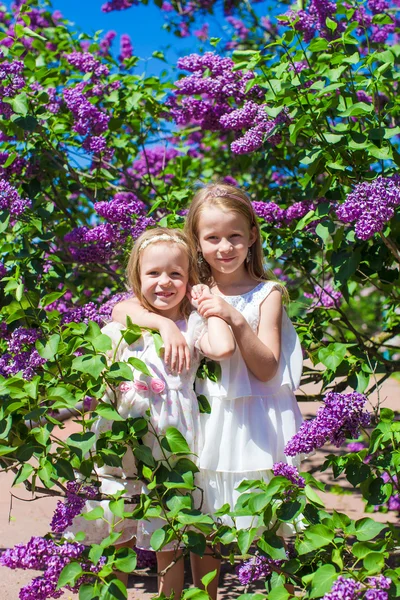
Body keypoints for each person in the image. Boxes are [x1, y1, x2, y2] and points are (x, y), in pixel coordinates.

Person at [112, 184, 303, 597]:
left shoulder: (266, 293)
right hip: (205, 420)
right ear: (197, 241)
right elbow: (124, 307)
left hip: (254, 419)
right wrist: (167, 322)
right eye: (212, 238)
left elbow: (268, 369)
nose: (225, 247)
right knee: (204, 521)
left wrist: (234, 318)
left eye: (234, 236)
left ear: (252, 235)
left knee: (267, 523)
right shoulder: (190, 288)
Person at [73, 227, 235, 599]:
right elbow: (118, 313)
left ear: (190, 279)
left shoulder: (193, 324)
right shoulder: (122, 325)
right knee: (118, 530)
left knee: (170, 534)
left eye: (176, 274)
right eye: (154, 274)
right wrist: (163, 323)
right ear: (137, 278)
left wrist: (207, 302)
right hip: (121, 446)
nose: (165, 282)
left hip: (172, 448)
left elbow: (223, 347)